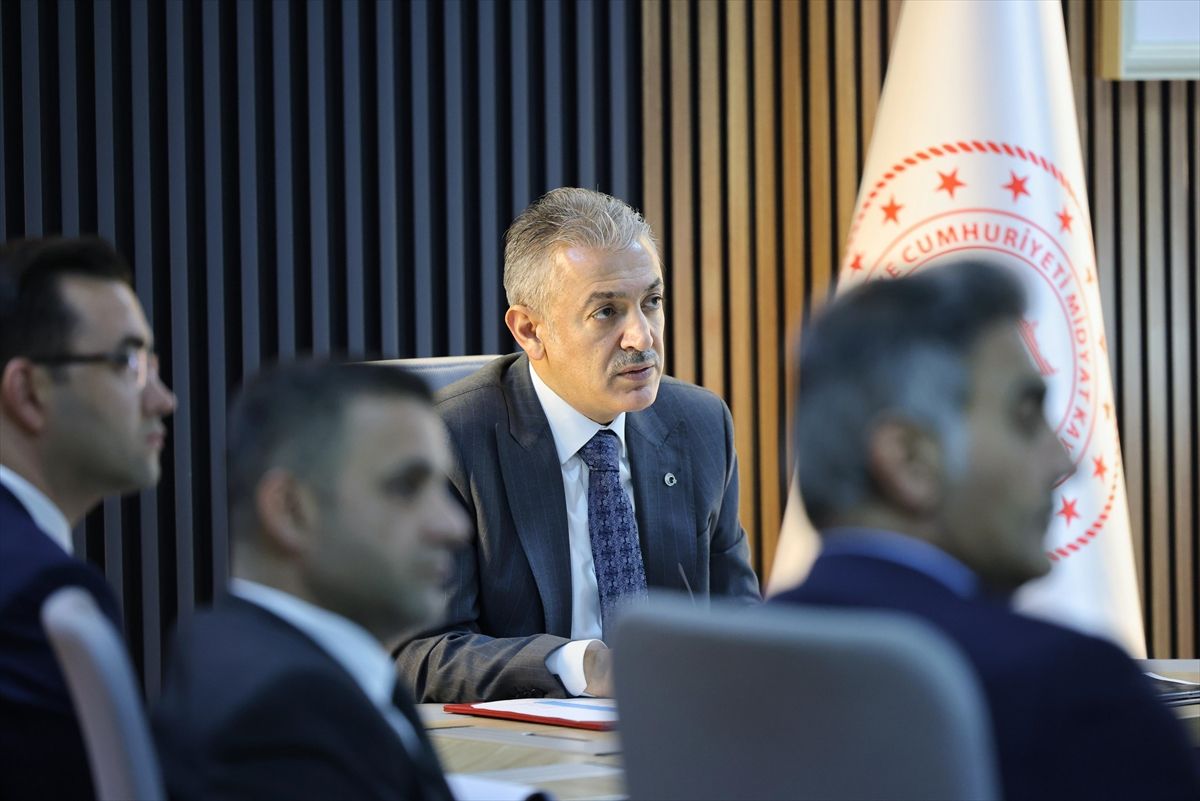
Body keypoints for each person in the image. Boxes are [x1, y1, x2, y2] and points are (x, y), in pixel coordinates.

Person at [773, 261, 1199, 800]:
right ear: (910, 461)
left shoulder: (717, 668)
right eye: (1025, 416)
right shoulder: (1073, 692)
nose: (1066, 462)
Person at [394, 187, 760, 703]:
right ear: (530, 330)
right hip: (518, 741)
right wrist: (575, 665)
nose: (642, 337)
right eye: (607, 312)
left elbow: (738, 619)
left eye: (651, 303)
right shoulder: (447, 441)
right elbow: (415, 656)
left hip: (675, 730)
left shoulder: (699, 424)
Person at [153, 361, 468, 801]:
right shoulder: (283, 717)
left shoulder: (235, 647)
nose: (454, 526)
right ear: (291, 510)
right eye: (406, 488)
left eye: (439, 487)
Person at [0, 236, 177, 799]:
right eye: (127, 362)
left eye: (151, 364)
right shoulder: (36, 595)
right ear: (28, 392)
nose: (162, 399)